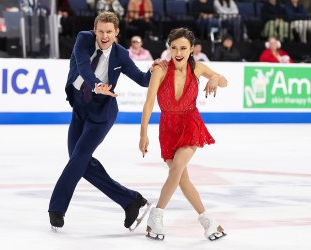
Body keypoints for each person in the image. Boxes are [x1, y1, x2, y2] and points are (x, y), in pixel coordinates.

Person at [48, 11, 166, 232]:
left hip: (102, 114)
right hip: (80, 109)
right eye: (101, 31)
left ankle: (56, 209)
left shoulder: (120, 54)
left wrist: (154, 70)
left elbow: (142, 80)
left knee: (79, 157)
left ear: (117, 33)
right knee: (80, 162)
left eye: (109, 32)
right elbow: (83, 66)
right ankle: (131, 201)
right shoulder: (83, 39)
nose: (104, 36)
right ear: (94, 30)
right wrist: (95, 84)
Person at [139, 27, 227, 241]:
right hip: (168, 127)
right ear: (169, 49)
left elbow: (224, 81)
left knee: (177, 168)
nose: (178, 52)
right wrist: (143, 134)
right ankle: (208, 221)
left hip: (190, 123)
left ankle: (157, 214)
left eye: (183, 48)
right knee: (182, 178)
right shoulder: (160, 70)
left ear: (191, 50)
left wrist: (215, 78)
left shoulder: (197, 68)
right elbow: (149, 104)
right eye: (174, 48)